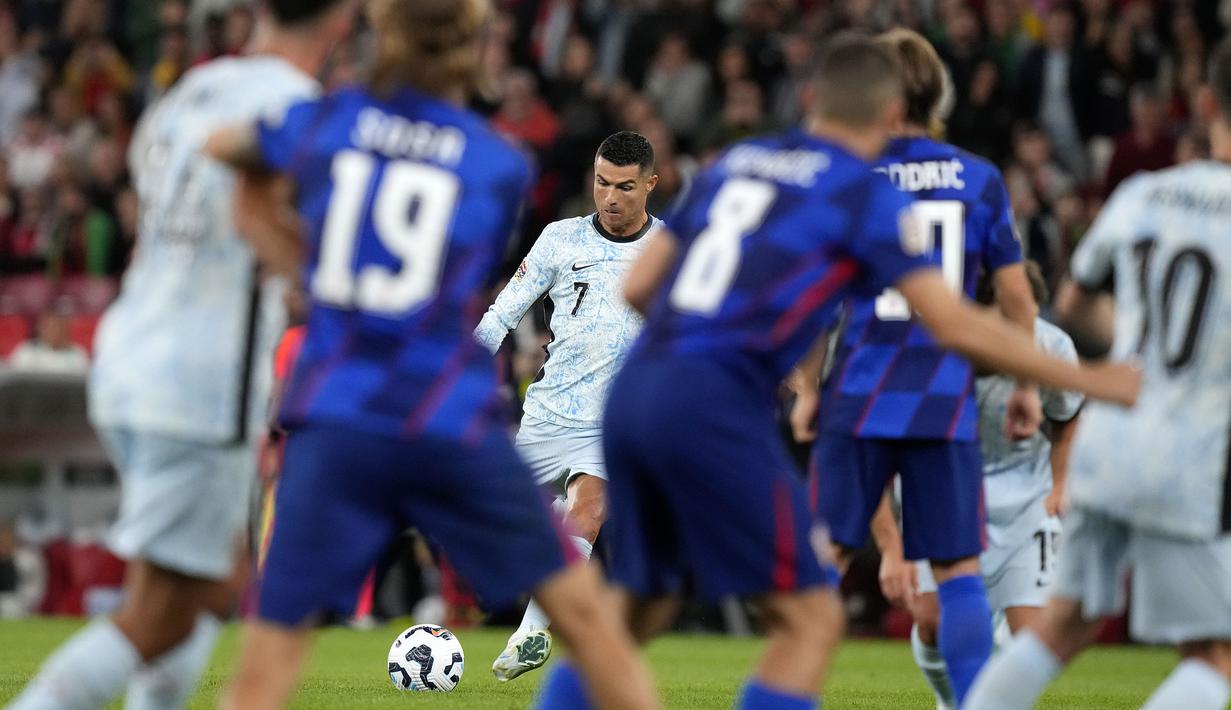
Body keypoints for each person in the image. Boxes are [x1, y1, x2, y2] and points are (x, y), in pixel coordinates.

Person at [531, 33, 1138, 710]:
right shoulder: (861, 192)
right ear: (889, 118)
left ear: (813, 99)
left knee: (638, 607)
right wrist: (1092, 382)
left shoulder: (742, 158)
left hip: (637, 391)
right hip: (717, 405)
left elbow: (642, 284)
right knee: (810, 617)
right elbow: (954, 323)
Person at [203, 1, 659, 708]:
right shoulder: (497, 161)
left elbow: (225, 146)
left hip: (338, 409)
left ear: (381, 37)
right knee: (590, 627)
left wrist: (297, 255)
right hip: (446, 413)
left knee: (263, 668)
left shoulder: (331, 121)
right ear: (472, 49)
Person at [5, 3, 356, 710]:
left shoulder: (192, 91)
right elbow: (256, 219)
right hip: (201, 381)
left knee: (202, 580)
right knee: (177, 605)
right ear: (343, 21)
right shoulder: (297, 111)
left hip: (131, 353)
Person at [965, 36, 1231, 710]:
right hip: (1193, 455)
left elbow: (1075, 309)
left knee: (1060, 629)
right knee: (1213, 659)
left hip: (1110, 444)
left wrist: (1145, 344)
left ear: (1202, 102)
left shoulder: (1143, 192)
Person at [792, 29, 1040, 707]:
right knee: (958, 569)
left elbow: (815, 297)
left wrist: (807, 389)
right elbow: (1017, 298)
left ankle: (780, 692)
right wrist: (1023, 383)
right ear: (937, 93)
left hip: (861, 392)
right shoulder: (977, 177)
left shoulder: (848, 177)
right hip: (944, 396)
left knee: (827, 557)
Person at [475, 130, 660, 681]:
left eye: (625, 187)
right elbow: (502, 314)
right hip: (547, 415)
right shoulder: (560, 239)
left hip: (613, 425)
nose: (611, 197)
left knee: (591, 507)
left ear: (650, 184)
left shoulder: (668, 253)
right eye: (602, 182)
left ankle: (531, 632)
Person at [875, 263, 1084, 710]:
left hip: (1026, 493)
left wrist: (1061, 484)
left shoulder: (1050, 346)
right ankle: (953, 703)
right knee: (932, 622)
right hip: (940, 482)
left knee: (1035, 638)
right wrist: (891, 544)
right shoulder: (926, 346)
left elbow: (1068, 420)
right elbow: (877, 445)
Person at [7, 311, 89, 375]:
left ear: (66, 330)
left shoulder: (77, 354)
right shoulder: (26, 351)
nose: (54, 332)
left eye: (58, 328)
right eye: (49, 327)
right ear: (40, 330)